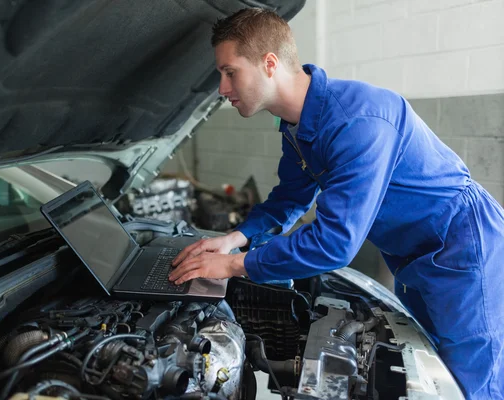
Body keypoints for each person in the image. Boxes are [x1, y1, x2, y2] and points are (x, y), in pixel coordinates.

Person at [168, 7, 504, 399]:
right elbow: (289, 199)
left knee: (472, 386)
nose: (222, 89)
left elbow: (335, 243)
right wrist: (235, 239)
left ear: (270, 64)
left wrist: (235, 265)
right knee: (433, 376)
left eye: (230, 72)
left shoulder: (355, 122)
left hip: (464, 249)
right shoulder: (297, 127)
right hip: (415, 258)